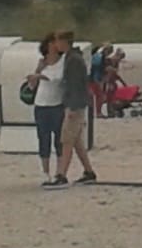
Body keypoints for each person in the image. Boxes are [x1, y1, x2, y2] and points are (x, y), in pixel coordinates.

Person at [43, 31, 97, 189]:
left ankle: (62, 175)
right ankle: (88, 172)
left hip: (75, 105)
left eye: (57, 41)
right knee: (76, 141)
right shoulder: (71, 58)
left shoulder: (73, 60)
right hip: (76, 104)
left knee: (66, 139)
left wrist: (72, 107)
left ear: (64, 41)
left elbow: (75, 85)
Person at [26, 33, 64, 185]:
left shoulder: (62, 62)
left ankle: (59, 171)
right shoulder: (42, 62)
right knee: (43, 138)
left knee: (59, 139)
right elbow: (32, 86)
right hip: (41, 104)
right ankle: (45, 171)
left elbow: (56, 79)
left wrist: (39, 76)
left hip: (56, 104)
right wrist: (37, 72)